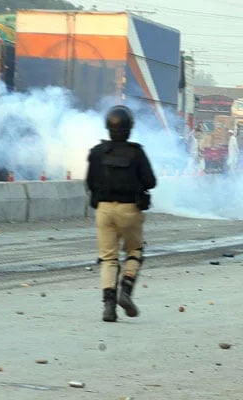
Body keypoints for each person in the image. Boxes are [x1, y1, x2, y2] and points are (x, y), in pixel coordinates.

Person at [86, 105, 157, 322]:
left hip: (104, 210)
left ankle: (108, 305)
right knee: (134, 251)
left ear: (108, 127)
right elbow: (151, 182)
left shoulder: (97, 152)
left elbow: (89, 182)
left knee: (108, 258)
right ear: (130, 128)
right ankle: (125, 291)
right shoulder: (136, 152)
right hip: (129, 210)